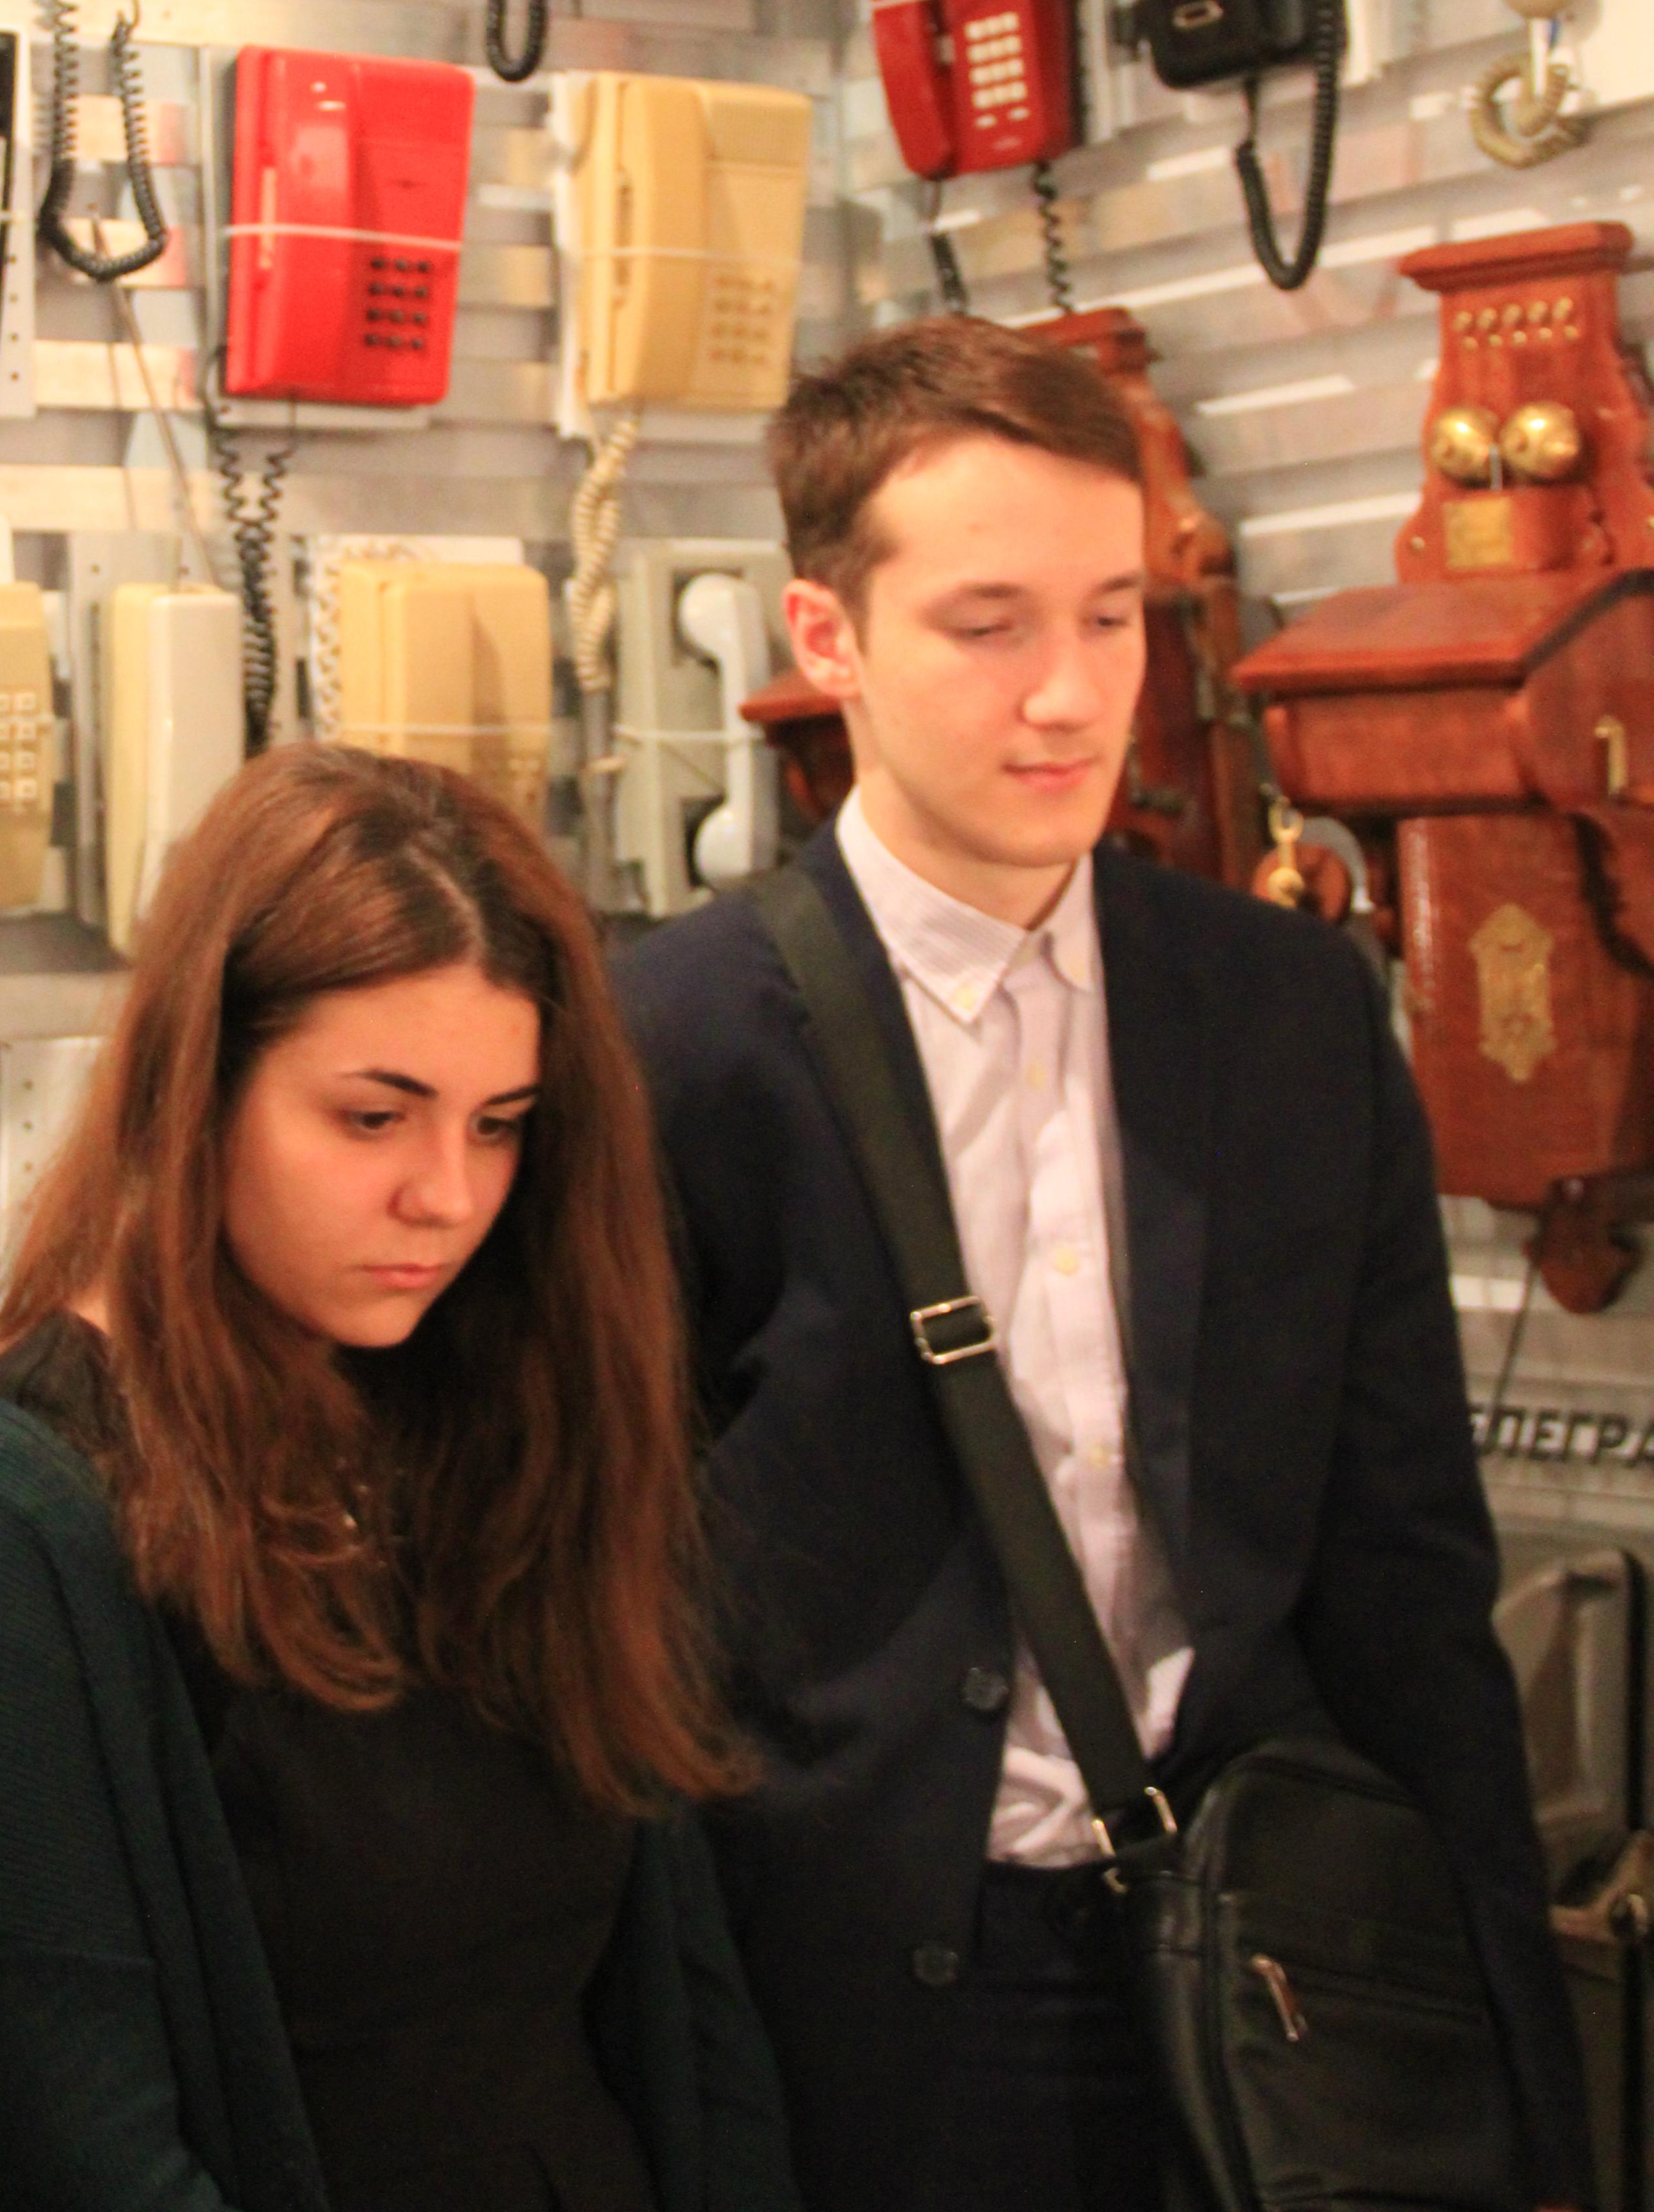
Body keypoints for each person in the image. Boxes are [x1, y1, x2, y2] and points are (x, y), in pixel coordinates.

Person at [613, 317, 1591, 2212]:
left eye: (1115, 617)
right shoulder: (675, 1046)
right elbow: (602, 1613)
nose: (1070, 695)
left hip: (1263, 1953)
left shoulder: (1292, 1013)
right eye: (987, 627)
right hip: (853, 2006)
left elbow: (1407, 1571)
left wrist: (1530, 2107)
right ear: (826, 639)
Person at [0, 743, 799, 2212]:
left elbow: (684, 2003)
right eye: (372, 1118)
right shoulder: (8, 1512)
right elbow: (59, 2136)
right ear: (199, 1089)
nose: (447, 1195)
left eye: (499, 1127)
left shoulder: (491, 1416)